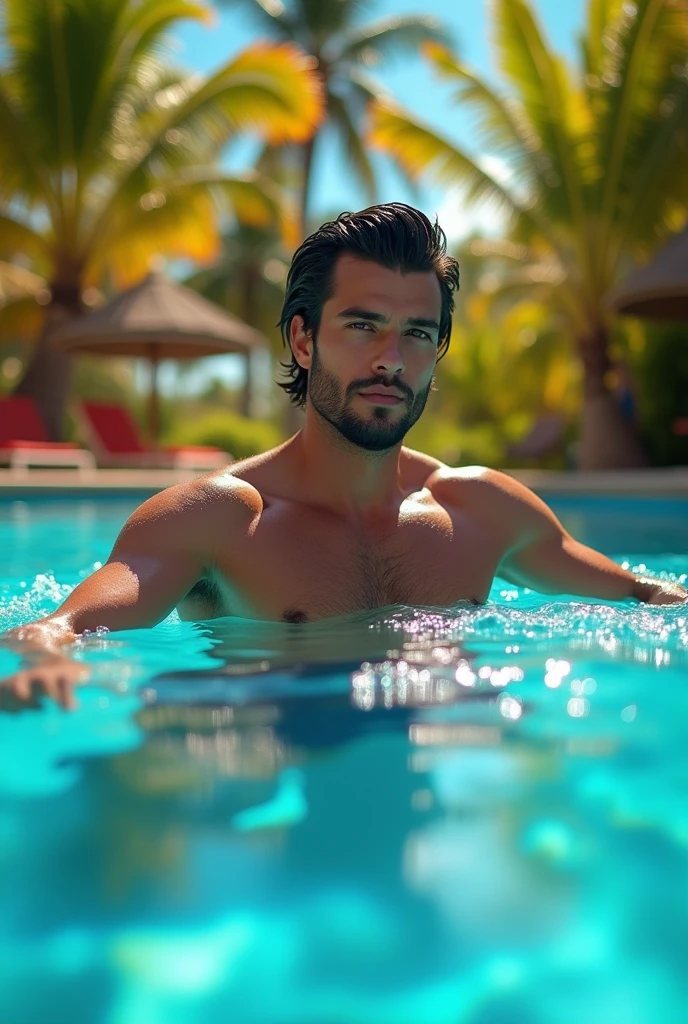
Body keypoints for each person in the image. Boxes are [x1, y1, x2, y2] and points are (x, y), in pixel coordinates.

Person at [1, 204, 685, 710]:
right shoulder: (220, 519)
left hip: (442, 752)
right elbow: (62, 625)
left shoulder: (480, 509)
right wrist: (43, 652)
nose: (391, 358)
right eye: (362, 326)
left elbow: (643, 595)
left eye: (417, 333)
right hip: (260, 761)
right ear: (304, 340)